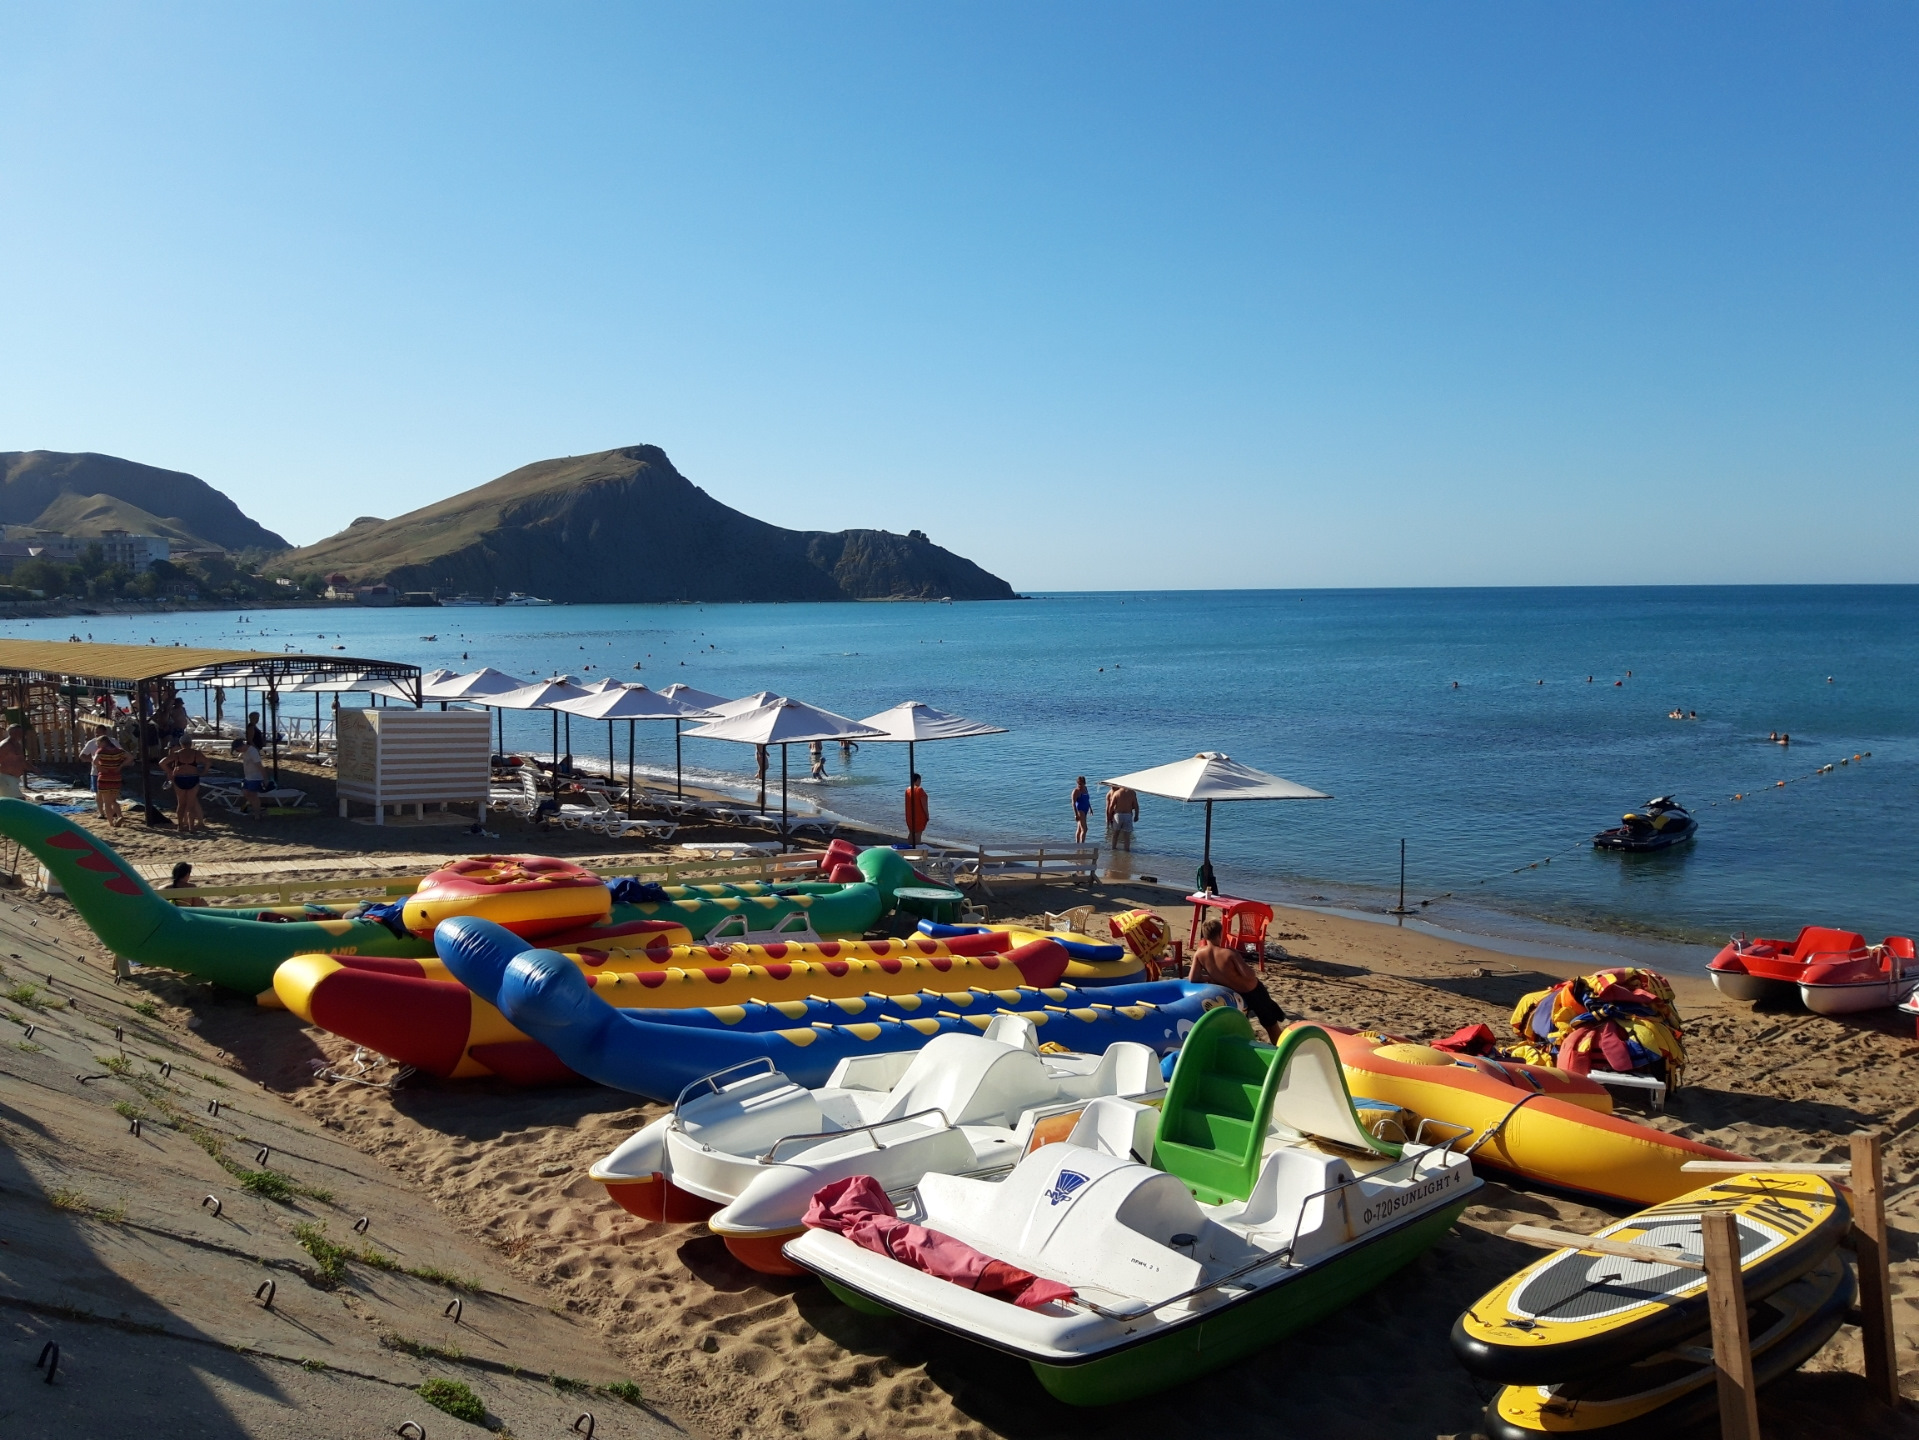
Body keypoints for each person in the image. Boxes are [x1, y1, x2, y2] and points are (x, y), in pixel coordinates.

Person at [1188, 917, 1286, 1043]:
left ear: (1205, 935)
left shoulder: (1199, 953)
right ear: (1220, 934)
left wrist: (1211, 977)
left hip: (1234, 995)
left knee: (1242, 1023)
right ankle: (1279, 1048)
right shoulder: (1229, 953)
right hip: (1254, 992)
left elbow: (1193, 978)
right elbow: (1250, 975)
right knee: (1270, 1024)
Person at [164, 737, 209, 835]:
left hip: (179, 778)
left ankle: (180, 826)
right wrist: (203, 772)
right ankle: (191, 827)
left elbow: (162, 763)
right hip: (192, 777)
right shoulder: (196, 753)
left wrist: (170, 772)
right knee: (191, 804)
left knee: (181, 804)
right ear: (191, 743)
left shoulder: (177, 754)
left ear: (181, 744)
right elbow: (207, 762)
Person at [91, 734, 126, 828]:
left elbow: (94, 761)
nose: (97, 745)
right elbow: (130, 757)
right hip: (116, 777)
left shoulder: (101, 751)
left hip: (104, 777)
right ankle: (119, 816)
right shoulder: (118, 751)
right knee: (114, 800)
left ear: (103, 742)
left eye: (98, 743)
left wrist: (100, 767)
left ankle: (111, 822)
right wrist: (120, 766)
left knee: (107, 802)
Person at [231, 737, 267, 820]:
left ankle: (257, 814)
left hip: (255, 778)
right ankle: (255, 808)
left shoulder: (252, 752)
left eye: (238, 750)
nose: (238, 751)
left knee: (253, 795)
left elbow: (260, 766)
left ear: (241, 746)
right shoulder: (245, 752)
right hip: (248, 777)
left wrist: (265, 778)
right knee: (245, 793)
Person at [1106, 784, 1139, 852]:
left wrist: (1109, 816)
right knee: (1127, 836)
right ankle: (1127, 851)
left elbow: (1111, 806)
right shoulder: (1132, 792)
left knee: (1115, 834)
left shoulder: (1117, 793)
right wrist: (1136, 815)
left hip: (1118, 815)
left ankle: (1113, 849)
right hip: (1128, 815)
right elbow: (1136, 805)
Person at [0, 724, 29, 801]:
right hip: (6, 778)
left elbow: (21, 760)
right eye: (16, 732)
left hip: (13, 778)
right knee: (19, 800)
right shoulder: (5, 745)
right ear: (11, 733)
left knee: (13, 800)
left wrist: (33, 768)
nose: (19, 735)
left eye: (20, 732)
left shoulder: (17, 745)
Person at [904, 773, 929, 847]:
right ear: (917, 780)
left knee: (911, 832)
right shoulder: (919, 790)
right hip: (919, 815)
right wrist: (927, 815)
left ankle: (909, 847)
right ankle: (917, 848)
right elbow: (924, 804)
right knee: (918, 833)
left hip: (909, 814)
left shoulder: (908, 790)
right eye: (920, 780)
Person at [1071, 776, 1091, 843]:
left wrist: (1090, 808)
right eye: (1079, 784)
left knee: (1080, 828)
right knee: (1085, 829)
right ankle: (1082, 844)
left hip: (1086, 809)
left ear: (1084, 783)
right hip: (1080, 810)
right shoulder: (1076, 791)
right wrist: (1076, 814)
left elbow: (1087, 799)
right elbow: (1073, 803)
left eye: (1081, 784)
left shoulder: (1085, 788)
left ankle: (1077, 844)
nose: (1080, 785)